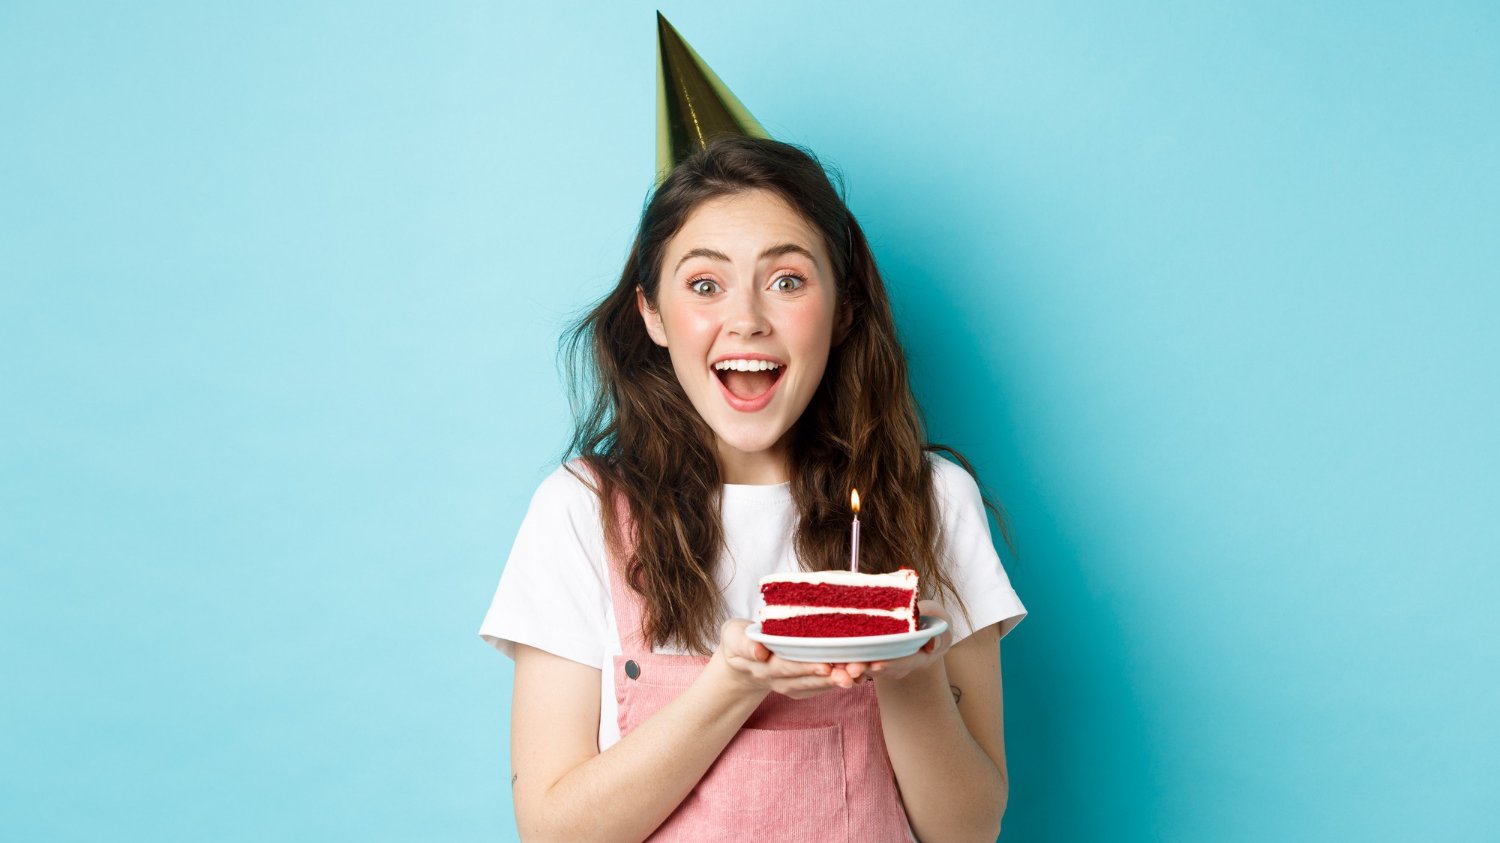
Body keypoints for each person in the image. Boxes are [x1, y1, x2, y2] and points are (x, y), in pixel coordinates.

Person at [479, 135, 1027, 843]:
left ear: (845, 308)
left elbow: (969, 832)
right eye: (705, 284)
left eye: (788, 280)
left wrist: (909, 672)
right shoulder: (580, 512)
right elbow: (555, 832)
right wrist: (734, 683)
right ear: (651, 313)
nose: (747, 319)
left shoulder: (933, 498)